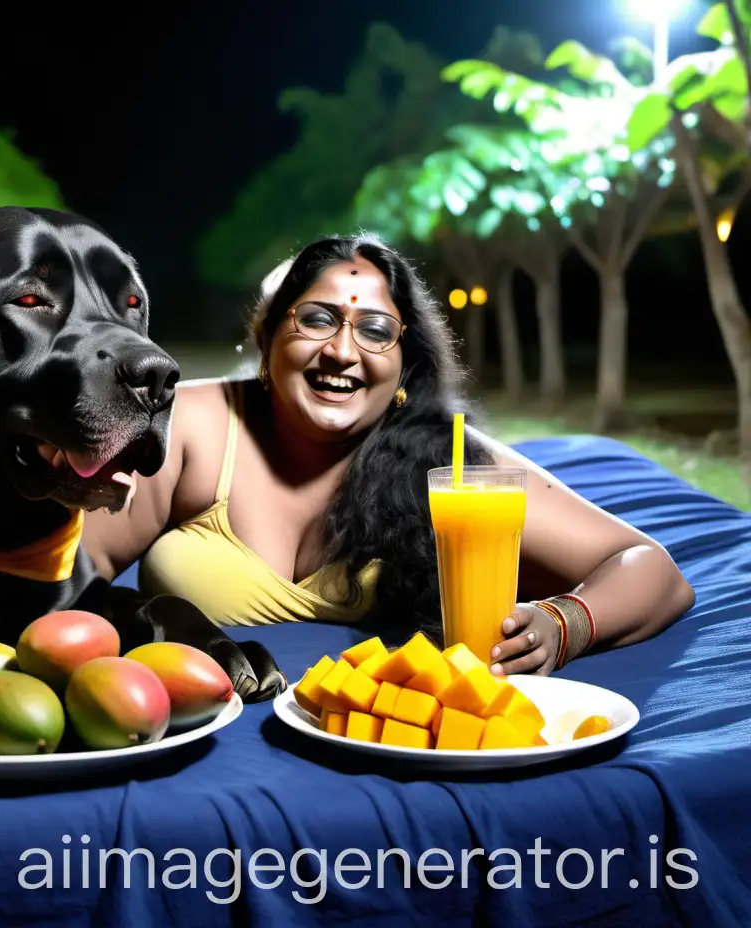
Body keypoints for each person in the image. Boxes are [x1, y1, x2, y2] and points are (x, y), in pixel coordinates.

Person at [82, 233, 695, 676]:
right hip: (203, 740)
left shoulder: (447, 462)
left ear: (405, 364)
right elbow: (66, 574)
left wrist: (565, 625)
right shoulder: (195, 424)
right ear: (268, 339)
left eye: (375, 330)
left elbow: (650, 568)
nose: (343, 352)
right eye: (317, 320)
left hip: (383, 748)